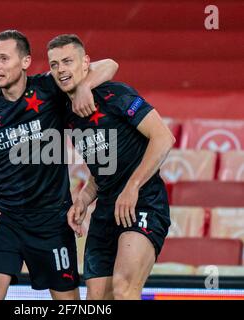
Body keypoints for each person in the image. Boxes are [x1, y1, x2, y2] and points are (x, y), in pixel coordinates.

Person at [0, 30, 118, 300]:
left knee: (67, 300)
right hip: (4, 219)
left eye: (3, 58)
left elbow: (110, 65)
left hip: (52, 221)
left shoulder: (48, 89)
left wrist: (83, 87)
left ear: (25, 62)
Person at [47, 34, 175, 300]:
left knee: (124, 287)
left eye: (67, 61)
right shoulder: (66, 111)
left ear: (86, 63)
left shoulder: (116, 94)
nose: (61, 69)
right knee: (97, 300)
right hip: (105, 211)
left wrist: (133, 186)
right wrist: (82, 199)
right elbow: (104, 168)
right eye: (54, 64)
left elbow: (164, 138)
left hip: (143, 202)